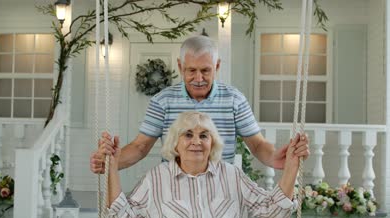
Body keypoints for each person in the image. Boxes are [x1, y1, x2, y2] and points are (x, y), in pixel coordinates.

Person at [105, 111, 307, 218]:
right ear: (175, 144)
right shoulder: (155, 180)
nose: (196, 142)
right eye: (188, 135)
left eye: (204, 135)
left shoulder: (232, 176)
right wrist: (112, 168)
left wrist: (291, 166)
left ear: (213, 143)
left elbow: (275, 210)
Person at [90, 35, 308, 174]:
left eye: (206, 70)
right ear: (180, 66)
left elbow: (258, 144)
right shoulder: (162, 101)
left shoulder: (234, 99)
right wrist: (111, 162)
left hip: (220, 187)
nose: (198, 78)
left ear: (217, 66)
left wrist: (277, 158)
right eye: (191, 70)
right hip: (175, 189)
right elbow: (139, 147)